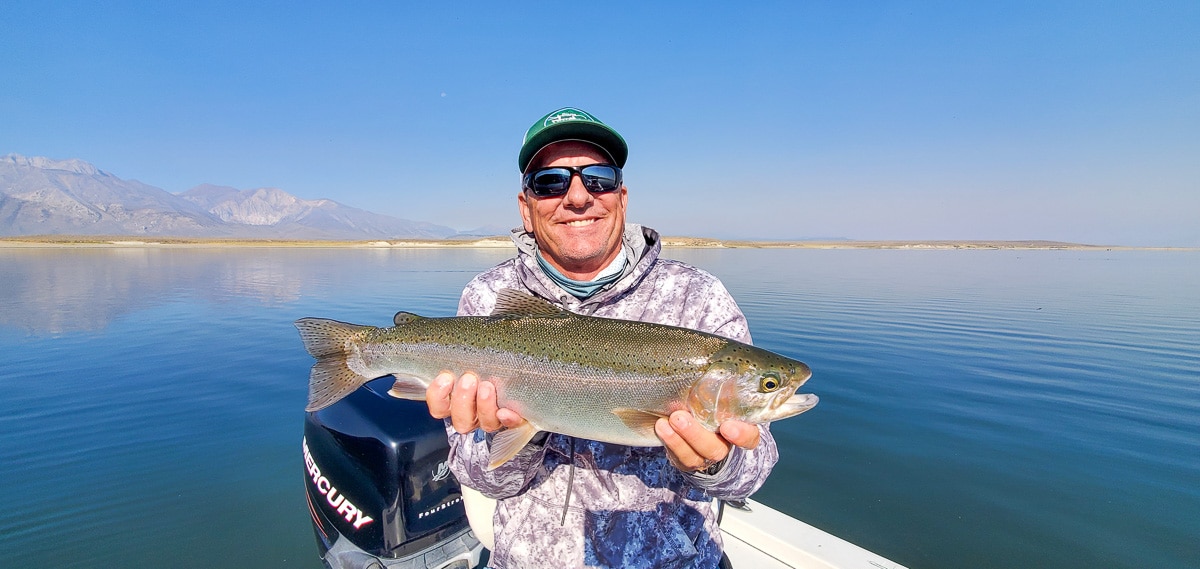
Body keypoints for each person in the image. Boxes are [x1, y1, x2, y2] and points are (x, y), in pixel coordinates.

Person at [423, 107, 778, 568]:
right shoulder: (488, 296)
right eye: (550, 182)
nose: (576, 196)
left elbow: (754, 469)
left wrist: (716, 464)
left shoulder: (698, 297)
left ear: (621, 198)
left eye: (598, 178)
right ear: (525, 207)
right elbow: (481, 478)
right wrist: (514, 434)